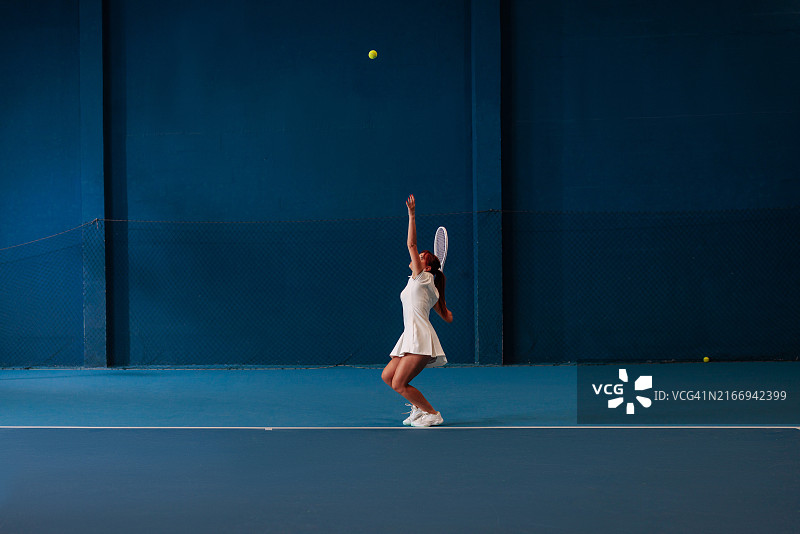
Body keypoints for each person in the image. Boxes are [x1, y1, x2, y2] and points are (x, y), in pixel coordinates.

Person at [382, 194, 453, 427]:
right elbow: (448, 317)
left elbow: (411, 244)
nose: (416, 256)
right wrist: (437, 297)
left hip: (419, 338)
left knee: (399, 383)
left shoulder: (423, 279)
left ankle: (432, 413)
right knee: (388, 376)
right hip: (410, 336)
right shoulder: (424, 284)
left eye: (421, 257)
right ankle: (419, 408)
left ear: (427, 268)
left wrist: (411, 215)